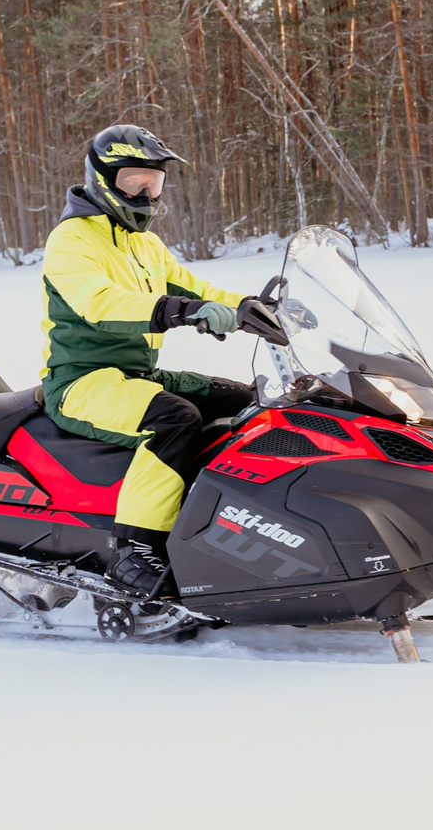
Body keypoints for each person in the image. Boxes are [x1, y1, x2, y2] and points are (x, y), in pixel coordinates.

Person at [40, 125, 268, 598]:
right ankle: (135, 551)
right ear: (103, 178)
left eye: (154, 182)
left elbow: (198, 291)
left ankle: (236, 530)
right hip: (82, 381)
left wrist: (251, 308)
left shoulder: (146, 244)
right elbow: (99, 302)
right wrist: (178, 313)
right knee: (174, 420)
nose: (146, 192)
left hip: (137, 374)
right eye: (133, 181)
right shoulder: (72, 240)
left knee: (243, 399)